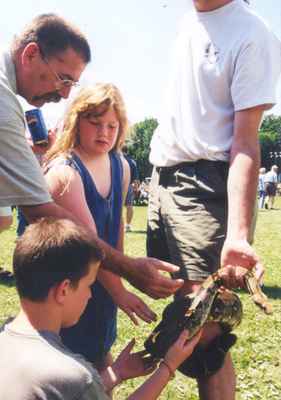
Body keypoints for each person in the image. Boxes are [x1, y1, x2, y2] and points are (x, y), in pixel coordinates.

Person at [147, 1, 281, 399]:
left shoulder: (251, 34)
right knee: (181, 315)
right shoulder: (188, 23)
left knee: (204, 330)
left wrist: (238, 234)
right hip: (162, 177)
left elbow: (245, 143)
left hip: (205, 183)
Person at [0, 13, 183, 300]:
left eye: (71, 85)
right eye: (63, 79)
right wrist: (128, 268)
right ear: (31, 54)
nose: (63, 95)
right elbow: (38, 208)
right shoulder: (4, 104)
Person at [0, 217, 201, 400]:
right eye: (89, 285)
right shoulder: (72, 375)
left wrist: (117, 373)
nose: (89, 295)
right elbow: (74, 389)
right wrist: (167, 367)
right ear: (63, 290)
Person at [41, 83, 156, 370]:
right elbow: (89, 244)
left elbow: (115, 225)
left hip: (105, 277)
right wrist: (120, 290)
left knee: (100, 351)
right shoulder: (65, 173)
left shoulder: (122, 166)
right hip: (68, 286)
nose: (104, 132)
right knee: (66, 365)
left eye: (112, 125)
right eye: (95, 124)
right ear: (76, 122)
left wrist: (116, 282)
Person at [122, 145, 139, 232]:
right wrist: (136, 188)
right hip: (129, 186)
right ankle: (128, 226)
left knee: (116, 207)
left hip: (117, 185)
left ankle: (115, 225)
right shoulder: (132, 162)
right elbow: (136, 179)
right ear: (127, 151)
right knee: (129, 206)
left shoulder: (116, 160)